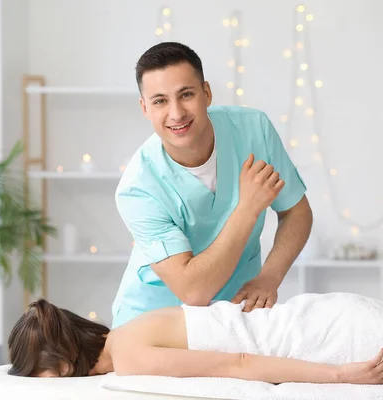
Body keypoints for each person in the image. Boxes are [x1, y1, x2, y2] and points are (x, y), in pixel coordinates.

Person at [112, 41, 313, 328]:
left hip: (236, 310)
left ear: (206, 93)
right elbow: (193, 292)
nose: (177, 113)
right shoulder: (138, 188)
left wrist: (270, 277)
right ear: (145, 108)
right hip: (155, 321)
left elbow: (296, 211)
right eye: (160, 101)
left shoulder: (254, 130)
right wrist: (247, 208)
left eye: (186, 94)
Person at [7, 292, 383, 385]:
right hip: (323, 314)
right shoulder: (128, 332)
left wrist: (341, 375)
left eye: (39, 374)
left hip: (323, 334)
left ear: (61, 364)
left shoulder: (130, 357)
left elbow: (238, 363)